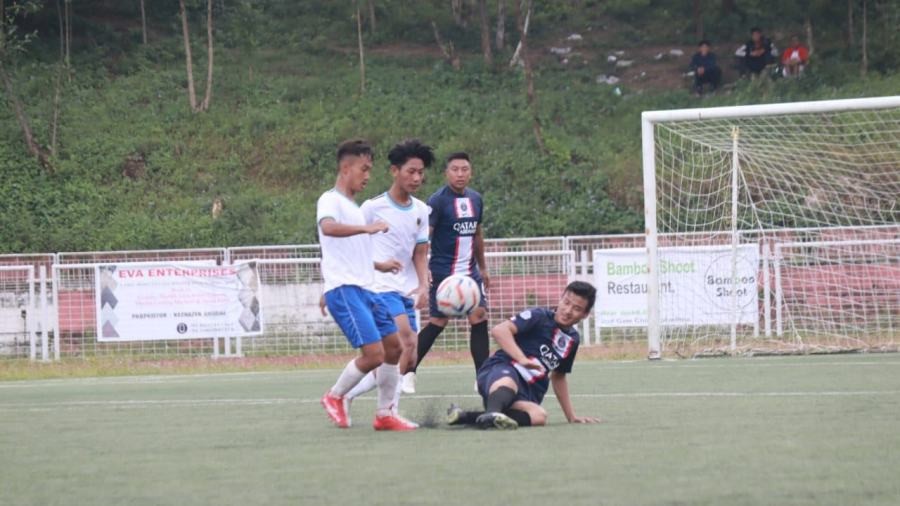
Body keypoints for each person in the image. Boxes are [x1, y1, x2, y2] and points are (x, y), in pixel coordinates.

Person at [317, 138, 416, 431]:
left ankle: (386, 413)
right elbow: (328, 228)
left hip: (367, 288)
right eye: (364, 169)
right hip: (346, 290)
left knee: (394, 348)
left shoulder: (355, 209)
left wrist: (379, 264)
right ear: (346, 168)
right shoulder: (330, 200)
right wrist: (367, 227)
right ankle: (335, 396)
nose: (368, 175)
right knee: (373, 355)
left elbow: (350, 252)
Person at [342, 139, 434, 420]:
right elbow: (352, 247)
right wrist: (374, 267)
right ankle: (388, 412)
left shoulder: (421, 210)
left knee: (407, 355)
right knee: (404, 339)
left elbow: (420, 252)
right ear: (395, 171)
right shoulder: (372, 207)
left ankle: (349, 395)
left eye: (421, 173)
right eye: (411, 171)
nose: (417, 178)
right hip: (380, 287)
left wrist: (422, 285)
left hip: (407, 289)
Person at [446, 281, 601, 430]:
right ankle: (493, 410)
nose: (568, 311)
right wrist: (521, 359)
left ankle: (465, 416)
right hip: (500, 371)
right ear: (560, 299)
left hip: (526, 393)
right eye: (566, 302)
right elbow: (499, 331)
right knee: (508, 381)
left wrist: (571, 417)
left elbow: (559, 376)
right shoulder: (538, 316)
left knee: (539, 416)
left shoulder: (573, 340)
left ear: (585, 314)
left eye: (576, 308)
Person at [402, 152, 490, 393]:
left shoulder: (476, 199)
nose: (460, 174)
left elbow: (478, 235)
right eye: (455, 169)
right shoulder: (437, 201)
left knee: (479, 317)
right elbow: (424, 238)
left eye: (464, 169)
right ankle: (408, 371)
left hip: (470, 274)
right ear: (446, 173)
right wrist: (421, 273)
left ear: (470, 172)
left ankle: (482, 377)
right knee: (438, 322)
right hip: (443, 274)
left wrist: (483, 268)